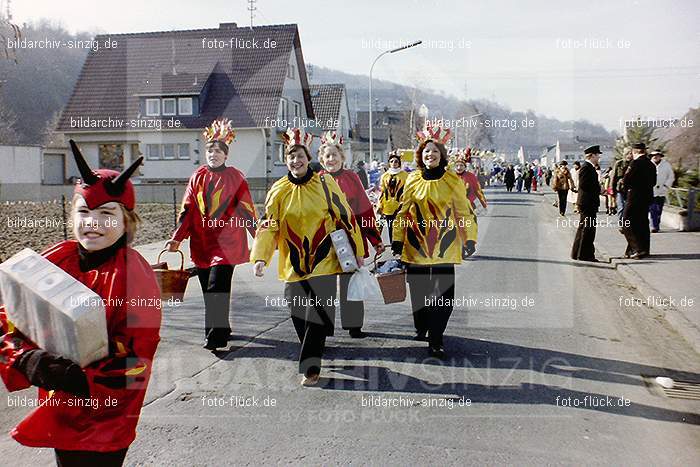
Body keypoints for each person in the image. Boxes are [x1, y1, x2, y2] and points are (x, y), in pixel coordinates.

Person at [1, 140, 161, 467]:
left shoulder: (136, 276)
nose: (93, 223)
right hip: (60, 408)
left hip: (107, 420)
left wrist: (82, 380)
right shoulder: (56, 258)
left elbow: (138, 359)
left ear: (126, 220)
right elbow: (12, 313)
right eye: (84, 212)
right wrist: (26, 359)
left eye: (106, 214)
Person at [251, 128, 364, 386]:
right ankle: (313, 348)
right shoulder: (278, 189)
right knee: (297, 308)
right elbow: (269, 225)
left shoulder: (325, 183)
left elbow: (345, 217)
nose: (295, 161)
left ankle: (310, 367)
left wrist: (357, 251)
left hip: (324, 260)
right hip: (293, 263)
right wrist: (260, 257)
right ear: (286, 159)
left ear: (307, 157)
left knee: (319, 310)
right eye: (290, 156)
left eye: (299, 156)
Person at [166, 118, 257, 351]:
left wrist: (258, 236)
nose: (214, 154)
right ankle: (222, 327)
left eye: (219, 151)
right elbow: (188, 209)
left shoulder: (236, 177)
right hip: (202, 243)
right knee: (210, 290)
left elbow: (246, 208)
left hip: (228, 244)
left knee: (217, 285)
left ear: (226, 155)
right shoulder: (197, 177)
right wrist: (177, 238)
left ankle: (215, 337)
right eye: (210, 150)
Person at [391, 124, 477, 358]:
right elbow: (403, 212)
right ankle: (422, 324)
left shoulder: (452, 181)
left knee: (443, 297)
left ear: (442, 155)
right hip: (415, 246)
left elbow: (463, 212)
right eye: (426, 151)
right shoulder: (412, 180)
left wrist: (469, 238)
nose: (430, 155)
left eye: (435, 152)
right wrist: (397, 240)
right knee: (419, 293)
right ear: (420, 155)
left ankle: (436, 339)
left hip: (445, 247)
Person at [317, 131, 384, 338]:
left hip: (350, 238)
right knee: (324, 285)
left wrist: (375, 240)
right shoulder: (316, 180)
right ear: (321, 159)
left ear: (342, 157)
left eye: (335, 155)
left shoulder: (352, 178)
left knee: (351, 283)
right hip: (325, 240)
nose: (331, 159)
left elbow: (364, 210)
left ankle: (354, 325)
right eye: (327, 156)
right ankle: (324, 327)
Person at [621, 142, 657, 258]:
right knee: (642, 223)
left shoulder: (635, 163)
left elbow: (626, 180)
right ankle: (643, 249)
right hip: (646, 197)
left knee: (626, 222)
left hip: (634, 196)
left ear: (634, 151)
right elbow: (654, 182)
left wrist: (626, 190)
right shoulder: (651, 164)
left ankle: (637, 248)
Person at [571, 145, 602, 262]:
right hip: (588, 202)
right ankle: (585, 254)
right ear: (592, 155)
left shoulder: (588, 167)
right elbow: (584, 185)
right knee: (588, 229)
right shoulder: (586, 167)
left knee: (583, 228)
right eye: (597, 155)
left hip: (587, 202)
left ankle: (577, 253)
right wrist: (598, 189)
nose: (598, 157)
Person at [378, 152, 409, 242]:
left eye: (396, 161)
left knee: (400, 226)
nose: (394, 163)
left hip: (401, 205)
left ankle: (400, 245)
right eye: (391, 161)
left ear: (399, 163)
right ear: (389, 163)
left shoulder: (405, 175)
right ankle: (393, 245)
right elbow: (382, 192)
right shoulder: (384, 176)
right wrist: (380, 205)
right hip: (388, 206)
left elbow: (408, 190)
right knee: (390, 227)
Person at [649, 151, 675, 233]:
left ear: (660, 156)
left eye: (657, 155)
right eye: (653, 156)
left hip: (662, 191)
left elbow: (671, 177)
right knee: (652, 209)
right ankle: (653, 226)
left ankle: (656, 225)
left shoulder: (666, 165)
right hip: (651, 191)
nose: (655, 157)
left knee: (659, 209)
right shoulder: (648, 164)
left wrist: (666, 186)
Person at [612, 148, 633, 224]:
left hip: (630, 189)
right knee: (621, 207)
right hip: (620, 189)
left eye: (631, 154)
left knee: (629, 208)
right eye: (628, 154)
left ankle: (628, 223)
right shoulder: (619, 163)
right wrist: (612, 190)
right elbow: (613, 177)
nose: (629, 155)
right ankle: (621, 223)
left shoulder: (634, 164)